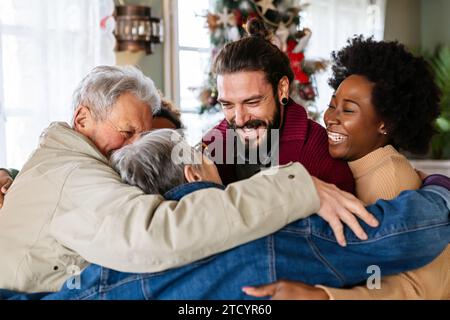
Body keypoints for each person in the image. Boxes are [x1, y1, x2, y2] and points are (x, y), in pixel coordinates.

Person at [0, 65, 371, 293]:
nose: (135, 147)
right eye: (128, 132)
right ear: (82, 120)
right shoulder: (74, 175)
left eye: (142, 137)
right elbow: (155, 236)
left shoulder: (64, 162)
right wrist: (297, 188)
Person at [1, 128, 449, 300]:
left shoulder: (92, 256)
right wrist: (438, 186)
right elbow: (408, 234)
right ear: (195, 169)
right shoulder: (269, 237)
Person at [244, 37, 450, 300]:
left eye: (349, 110)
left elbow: (402, 285)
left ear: (384, 123)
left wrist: (322, 295)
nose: (331, 118)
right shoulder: (347, 162)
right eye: (332, 105)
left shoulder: (387, 178)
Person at [202, 19, 355, 200]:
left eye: (252, 102)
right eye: (227, 104)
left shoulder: (321, 156)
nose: (240, 119)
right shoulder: (212, 146)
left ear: (282, 88)